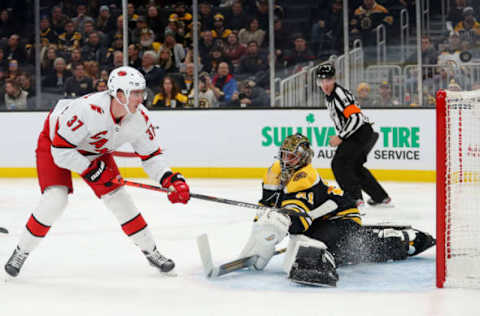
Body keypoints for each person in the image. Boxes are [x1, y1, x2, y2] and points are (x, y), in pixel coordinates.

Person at [4, 66, 191, 278]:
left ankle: (152, 251)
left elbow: (151, 157)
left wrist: (171, 179)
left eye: (142, 92)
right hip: (57, 144)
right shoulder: (88, 110)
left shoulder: (140, 118)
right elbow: (62, 153)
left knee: (120, 199)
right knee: (56, 199)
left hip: (95, 149)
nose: (141, 98)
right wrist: (92, 171)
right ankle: (22, 251)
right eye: (135, 93)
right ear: (118, 94)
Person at [238, 134, 435, 286]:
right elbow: (267, 205)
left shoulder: (305, 177)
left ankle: (400, 240)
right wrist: (261, 232)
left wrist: (280, 222)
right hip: (320, 219)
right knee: (320, 245)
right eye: (284, 155)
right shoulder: (275, 170)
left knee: (338, 249)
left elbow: (299, 223)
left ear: (303, 157)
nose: (286, 160)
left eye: (292, 157)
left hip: (342, 217)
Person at [316, 63, 392, 208]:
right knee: (355, 166)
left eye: (328, 80)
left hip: (359, 133)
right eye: (321, 81)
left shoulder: (339, 94)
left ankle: (354, 199)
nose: (325, 84)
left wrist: (341, 137)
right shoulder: (330, 97)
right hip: (361, 133)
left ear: (334, 79)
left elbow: (356, 118)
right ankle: (381, 197)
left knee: (339, 164)